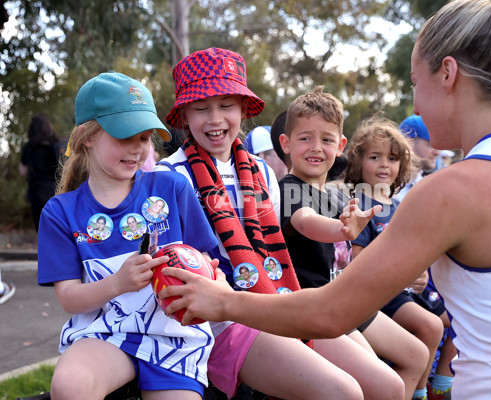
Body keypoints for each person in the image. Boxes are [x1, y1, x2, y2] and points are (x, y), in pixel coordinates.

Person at [157, 1, 491, 399]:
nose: (414, 102)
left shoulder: (457, 188)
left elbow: (331, 310)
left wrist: (221, 301)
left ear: (447, 74)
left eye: (414, 81)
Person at [155, 47, 403, 400]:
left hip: (274, 301)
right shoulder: (168, 176)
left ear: (243, 109)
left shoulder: (260, 172)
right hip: (219, 320)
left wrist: (343, 229)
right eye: (201, 107)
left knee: (388, 387)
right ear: (183, 115)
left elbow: (284, 240)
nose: (215, 119)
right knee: (344, 392)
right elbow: (171, 270)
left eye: (226, 105)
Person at [37, 71, 220, 400]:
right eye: (125, 136)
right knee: (70, 385)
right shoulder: (59, 211)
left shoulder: (172, 187)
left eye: (146, 137)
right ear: (86, 136)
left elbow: (209, 260)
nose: (138, 148)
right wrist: (117, 284)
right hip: (102, 335)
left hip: (174, 337)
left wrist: (206, 276)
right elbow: (68, 298)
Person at [278, 88, 428, 398]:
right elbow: (306, 221)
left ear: (341, 145)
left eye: (327, 139)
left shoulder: (335, 196)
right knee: (385, 384)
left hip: (342, 302)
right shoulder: (289, 190)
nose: (316, 148)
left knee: (417, 355)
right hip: (310, 309)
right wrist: (342, 229)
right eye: (305, 138)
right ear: (286, 143)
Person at [344, 114, 444, 400]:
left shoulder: (400, 204)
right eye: (375, 157)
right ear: (358, 161)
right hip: (377, 295)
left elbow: (413, 252)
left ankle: (421, 388)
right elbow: (358, 260)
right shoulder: (359, 203)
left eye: (392, 158)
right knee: (430, 325)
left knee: (444, 322)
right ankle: (418, 392)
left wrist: (420, 272)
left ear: (402, 165)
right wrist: (402, 275)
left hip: (402, 290)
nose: (384, 165)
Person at [19, 114, 64, 231]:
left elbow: (23, 171)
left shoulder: (29, 147)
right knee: (57, 229)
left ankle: (44, 249)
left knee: (41, 229)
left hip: (37, 193)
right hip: (56, 191)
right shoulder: (57, 144)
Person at [393, 115, 440, 202]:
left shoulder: (429, 185)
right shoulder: (385, 186)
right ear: (408, 143)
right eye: (430, 145)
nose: (437, 152)